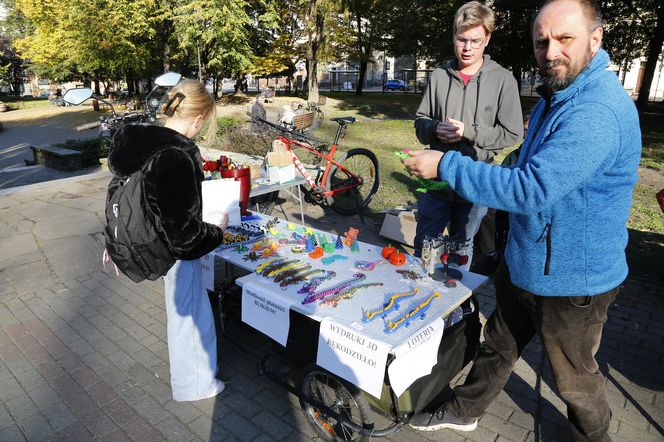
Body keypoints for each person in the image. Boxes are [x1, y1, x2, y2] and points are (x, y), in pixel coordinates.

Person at [403, 0, 641, 439]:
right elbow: (522, 166)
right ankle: (466, 409)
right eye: (541, 41)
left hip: (573, 281)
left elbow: (531, 188)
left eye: (564, 38)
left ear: (595, 38)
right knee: (498, 344)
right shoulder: (560, 96)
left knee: (575, 381)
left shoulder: (596, 111)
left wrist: (446, 166)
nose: (550, 51)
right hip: (527, 260)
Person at [107, 79, 227, 402]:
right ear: (198, 119)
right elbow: (186, 239)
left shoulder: (139, 141)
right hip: (170, 252)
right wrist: (217, 229)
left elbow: (122, 195)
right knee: (189, 315)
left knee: (185, 310)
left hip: (150, 241)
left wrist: (113, 241)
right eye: (205, 124)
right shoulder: (177, 154)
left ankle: (192, 379)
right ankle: (195, 384)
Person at [412, 1, 523, 266]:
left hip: (475, 181)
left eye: (475, 40)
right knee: (424, 248)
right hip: (435, 180)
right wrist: (434, 128)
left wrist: (468, 132)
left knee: (460, 252)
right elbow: (420, 122)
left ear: (487, 39)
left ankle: (456, 301)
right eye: (462, 39)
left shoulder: (503, 80)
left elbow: (512, 133)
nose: (467, 48)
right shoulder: (439, 75)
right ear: (454, 36)